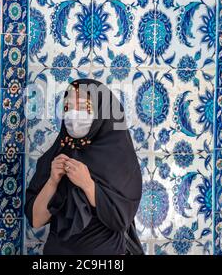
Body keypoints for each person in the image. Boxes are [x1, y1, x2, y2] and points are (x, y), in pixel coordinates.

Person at [24, 78, 144, 255]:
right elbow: (36, 220)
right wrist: (52, 181)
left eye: (82, 107)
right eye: (67, 108)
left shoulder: (121, 161)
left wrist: (88, 185)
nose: (73, 114)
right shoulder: (57, 156)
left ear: (103, 110)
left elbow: (120, 220)